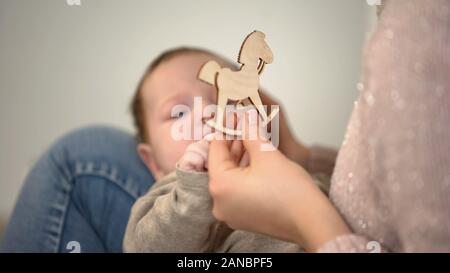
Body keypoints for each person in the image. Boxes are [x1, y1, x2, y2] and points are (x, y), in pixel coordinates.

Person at [1, 48, 333, 252]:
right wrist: (193, 189)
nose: (207, 112)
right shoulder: (165, 198)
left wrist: (297, 159)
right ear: (153, 163)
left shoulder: (289, 170)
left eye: (221, 99)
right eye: (178, 112)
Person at [207, 0, 450, 252]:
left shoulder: (419, 30)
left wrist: (304, 215)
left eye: (211, 102)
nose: (208, 116)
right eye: (180, 112)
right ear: (159, 164)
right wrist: (300, 155)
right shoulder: (170, 194)